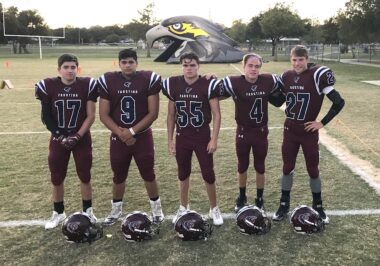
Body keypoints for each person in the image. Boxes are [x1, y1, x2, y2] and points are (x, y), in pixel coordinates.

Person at [272, 45, 345, 223]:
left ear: (307, 59)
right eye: (294, 60)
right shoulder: (287, 76)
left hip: (308, 132)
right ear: (291, 60)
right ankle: (283, 204)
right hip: (290, 129)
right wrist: (262, 92)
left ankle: (318, 206)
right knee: (287, 168)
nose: (297, 63)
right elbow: (279, 101)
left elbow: (339, 101)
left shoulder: (317, 75)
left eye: (301, 59)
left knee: (313, 170)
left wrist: (321, 122)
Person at [98, 49, 164, 225]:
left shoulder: (148, 79)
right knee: (118, 175)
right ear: (119, 64)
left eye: (131, 62)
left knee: (148, 174)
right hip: (118, 137)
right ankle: (116, 210)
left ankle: (157, 210)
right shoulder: (108, 80)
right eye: (124, 62)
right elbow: (103, 114)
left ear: (136, 63)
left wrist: (132, 131)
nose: (127, 65)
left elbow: (153, 113)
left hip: (142, 136)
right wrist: (122, 134)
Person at [35, 54, 98, 229]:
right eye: (66, 67)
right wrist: (60, 136)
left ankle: (88, 211)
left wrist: (77, 136)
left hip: (82, 138)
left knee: (85, 175)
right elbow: (46, 116)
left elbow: (91, 115)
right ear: (59, 69)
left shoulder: (87, 85)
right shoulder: (48, 86)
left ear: (77, 68)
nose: (70, 70)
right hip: (58, 138)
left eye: (73, 67)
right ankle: (58, 212)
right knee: (56, 177)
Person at [162, 52, 224, 226]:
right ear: (181, 66)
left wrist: (214, 138)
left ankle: (214, 208)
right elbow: (171, 115)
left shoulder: (208, 84)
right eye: (185, 65)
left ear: (198, 66)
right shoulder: (173, 84)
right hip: (182, 136)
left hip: (202, 135)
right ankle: (183, 207)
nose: (189, 68)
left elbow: (217, 114)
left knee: (208, 173)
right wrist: (170, 140)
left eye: (192, 65)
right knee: (183, 173)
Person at [220, 53, 284, 213]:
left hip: (261, 132)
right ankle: (241, 197)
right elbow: (213, 91)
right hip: (243, 131)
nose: (254, 69)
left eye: (257, 66)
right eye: (250, 65)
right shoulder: (234, 82)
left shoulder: (268, 81)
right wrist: (205, 77)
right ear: (244, 66)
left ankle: (259, 198)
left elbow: (284, 88)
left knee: (260, 167)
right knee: (242, 166)